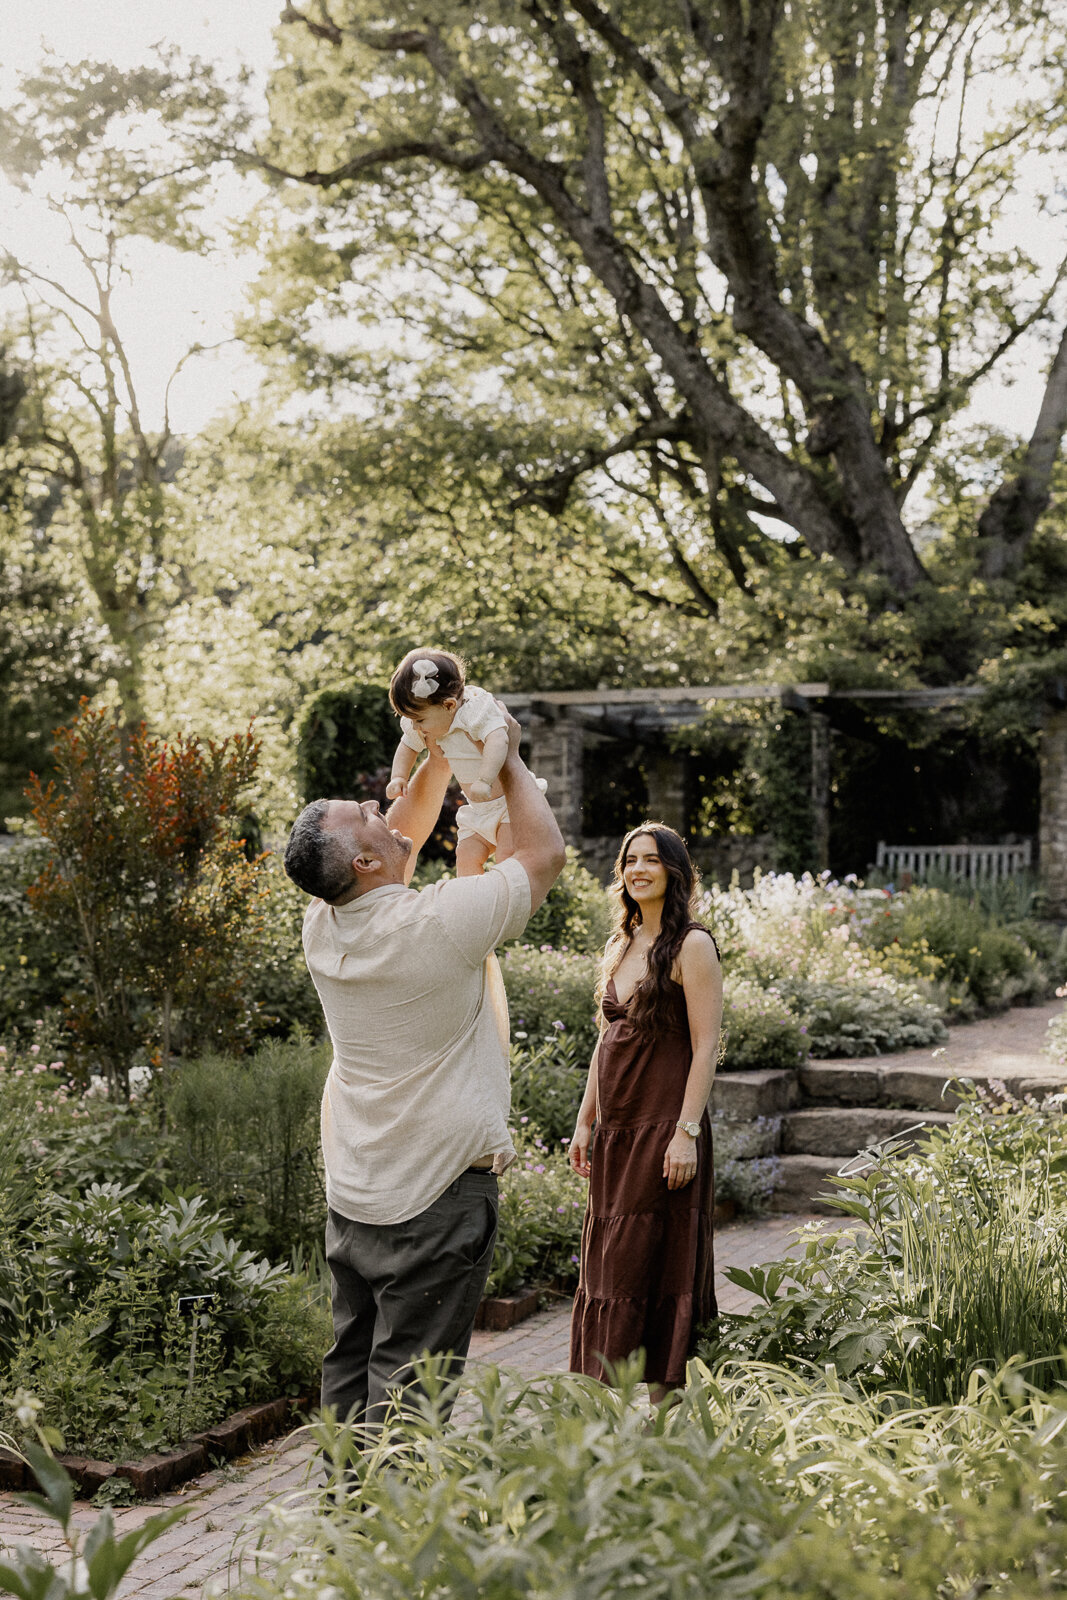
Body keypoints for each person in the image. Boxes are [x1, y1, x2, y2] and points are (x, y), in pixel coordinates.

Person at [283, 706, 565, 1442]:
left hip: (359, 1189)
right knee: (411, 1387)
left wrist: (441, 741)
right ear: (368, 864)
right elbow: (543, 855)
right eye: (364, 813)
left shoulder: (324, 921)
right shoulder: (437, 924)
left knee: (351, 1364)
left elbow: (399, 824)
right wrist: (496, 747)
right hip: (433, 1198)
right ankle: (396, 1541)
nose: (380, 803)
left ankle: (347, 1529)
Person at [568, 823, 723, 1405]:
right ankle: (603, 1415)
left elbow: (706, 1046)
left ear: (674, 872)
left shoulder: (692, 946)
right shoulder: (620, 945)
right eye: (629, 860)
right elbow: (605, 1042)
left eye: (651, 861)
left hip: (666, 1131)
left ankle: (668, 1420)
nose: (638, 870)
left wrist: (686, 1134)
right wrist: (586, 1121)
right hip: (618, 1133)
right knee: (612, 1267)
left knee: (662, 1267)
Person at [386, 647, 547, 876]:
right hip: (479, 809)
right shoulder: (427, 719)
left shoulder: (475, 711)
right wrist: (399, 777)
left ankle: (501, 902)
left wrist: (484, 779)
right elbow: (407, 745)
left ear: (450, 705)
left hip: (509, 805)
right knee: (466, 858)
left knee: (507, 857)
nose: (415, 726)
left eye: (419, 719)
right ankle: (473, 903)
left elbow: (499, 739)